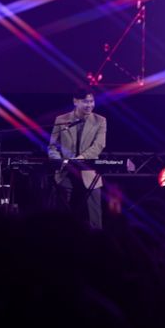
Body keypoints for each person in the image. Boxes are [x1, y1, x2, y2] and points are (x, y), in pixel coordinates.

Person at [47, 87, 107, 229]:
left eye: (92, 101)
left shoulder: (100, 120)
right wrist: (60, 161)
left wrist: (79, 159)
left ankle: (96, 238)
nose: (89, 105)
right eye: (85, 101)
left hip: (89, 171)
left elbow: (99, 145)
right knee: (62, 211)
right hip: (65, 170)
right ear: (75, 101)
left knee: (94, 214)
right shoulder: (61, 120)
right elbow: (52, 146)